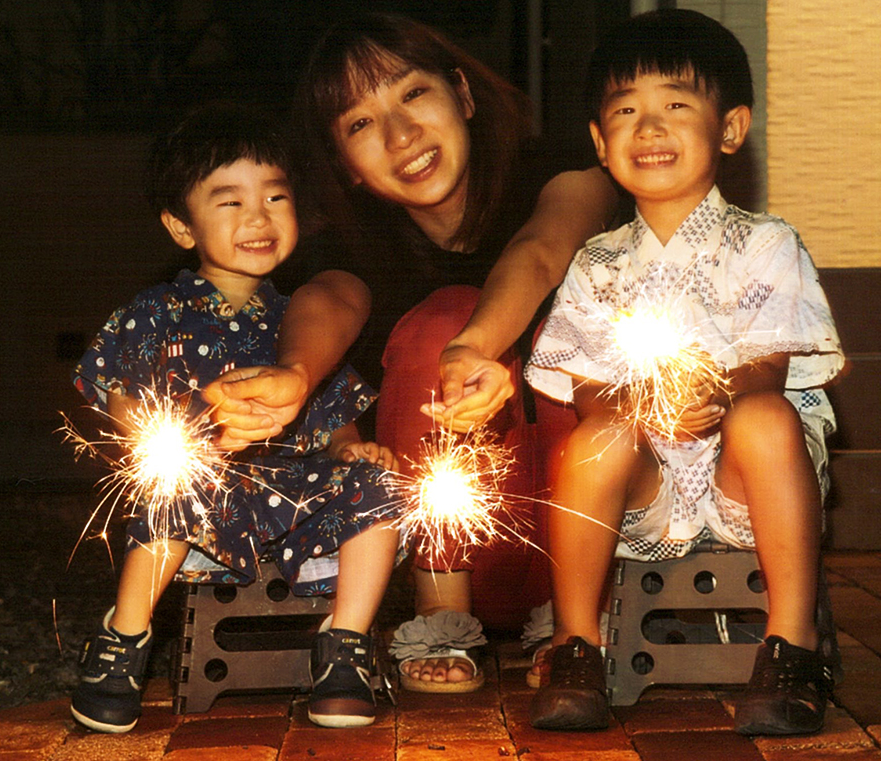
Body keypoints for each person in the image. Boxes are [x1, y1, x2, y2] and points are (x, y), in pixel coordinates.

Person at [212, 12, 618, 691]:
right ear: (346, 165)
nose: (400, 136)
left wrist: (476, 346)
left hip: (585, 544)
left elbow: (544, 249)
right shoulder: (355, 241)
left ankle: (574, 627)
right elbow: (329, 299)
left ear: (462, 93)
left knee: (513, 325)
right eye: (360, 125)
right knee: (439, 318)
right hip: (448, 544)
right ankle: (440, 622)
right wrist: (293, 374)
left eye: (413, 95)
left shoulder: (559, 171)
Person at [523, 9, 845, 734]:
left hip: (745, 471)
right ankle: (576, 642)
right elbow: (585, 388)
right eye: (626, 113)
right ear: (601, 143)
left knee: (763, 416)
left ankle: (791, 645)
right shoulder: (599, 262)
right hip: (653, 479)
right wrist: (643, 406)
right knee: (595, 438)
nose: (649, 128)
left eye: (675, 105)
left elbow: (764, 369)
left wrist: (712, 393)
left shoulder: (764, 243)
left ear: (729, 129)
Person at [69, 102, 405, 732]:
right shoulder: (157, 314)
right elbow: (121, 410)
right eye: (230, 202)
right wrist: (175, 433)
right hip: (202, 498)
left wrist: (351, 449)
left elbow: (333, 418)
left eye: (276, 199)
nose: (259, 218)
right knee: (176, 480)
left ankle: (345, 647)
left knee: (383, 486)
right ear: (181, 226)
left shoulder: (301, 319)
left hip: (292, 495)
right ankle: (124, 639)